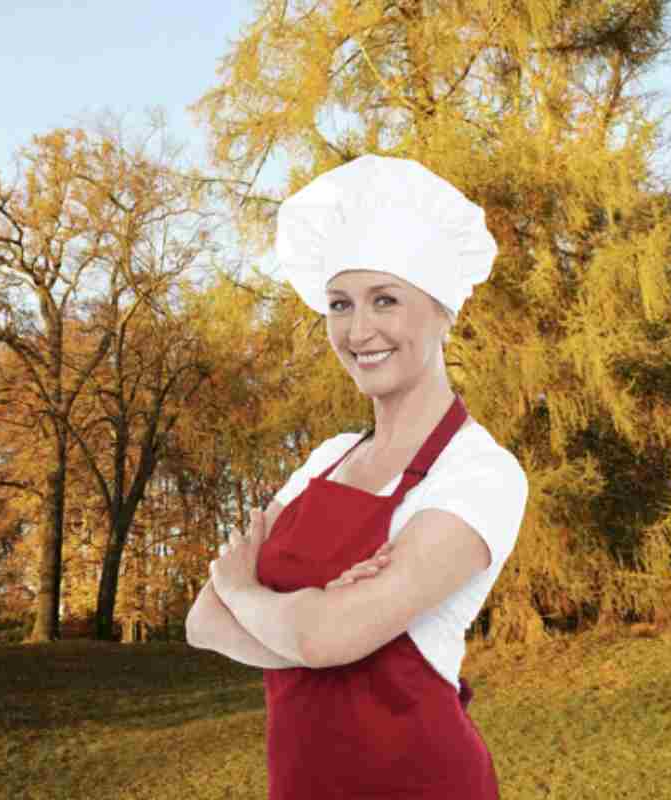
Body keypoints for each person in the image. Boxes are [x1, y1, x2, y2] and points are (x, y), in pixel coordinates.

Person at [185, 154, 529, 798]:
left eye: (385, 300)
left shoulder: (480, 472)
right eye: (340, 303)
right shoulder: (327, 457)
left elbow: (318, 633)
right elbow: (203, 621)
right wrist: (316, 624)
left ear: (442, 312)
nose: (359, 329)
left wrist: (254, 596)